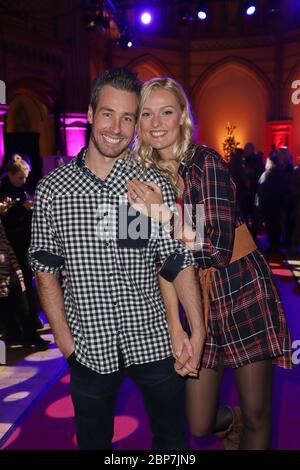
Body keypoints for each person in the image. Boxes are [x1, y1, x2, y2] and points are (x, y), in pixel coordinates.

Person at [28, 68, 206, 450]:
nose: (117, 127)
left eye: (128, 117)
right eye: (108, 113)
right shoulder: (52, 190)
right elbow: (44, 269)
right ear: (90, 113)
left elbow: (177, 259)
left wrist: (195, 328)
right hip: (89, 345)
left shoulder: (151, 182)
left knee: (172, 443)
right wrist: (64, 339)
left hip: (153, 339)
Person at [127, 77, 292, 450]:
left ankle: (245, 425)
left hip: (240, 286)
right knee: (199, 423)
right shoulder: (140, 178)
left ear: (182, 116)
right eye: (147, 114)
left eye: (166, 112)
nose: (156, 122)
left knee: (257, 414)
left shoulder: (205, 162)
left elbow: (217, 249)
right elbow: (148, 258)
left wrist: (164, 215)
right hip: (193, 300)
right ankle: (229, 421)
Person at [0, 154, 44, 331]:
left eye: (26, 177)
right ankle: (24, 323)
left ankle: (29, 320)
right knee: (18, 284)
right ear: (10, 175)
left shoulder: (21, 190)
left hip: (25, 241)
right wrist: (17, 208)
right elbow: (8, 219)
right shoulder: (3, 190)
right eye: (20, 178)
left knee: (26, 281)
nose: (23, 181)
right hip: (11, 244)